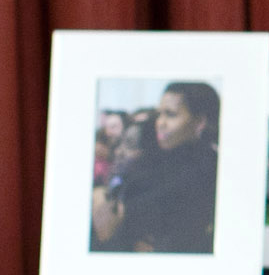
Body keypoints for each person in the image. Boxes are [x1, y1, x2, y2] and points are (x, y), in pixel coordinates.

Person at [93, 79, 221, 253]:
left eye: (171, 114)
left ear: (199, 122)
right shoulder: (164, 158)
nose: (160, 122)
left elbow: (117, 219)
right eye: (159, 114)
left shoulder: (206, 168)